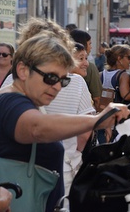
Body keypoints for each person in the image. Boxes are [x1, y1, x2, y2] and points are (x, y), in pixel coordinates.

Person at [0, 34, 130, 212]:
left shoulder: (24, 102)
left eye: (63, 80)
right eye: (51, 78)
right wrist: (96, 121)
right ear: (23, 70)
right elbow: (36, 127)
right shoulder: (11, 101)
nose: (58, 87)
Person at [44, 42, 95, 203]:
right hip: (65, 165)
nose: (86, 63)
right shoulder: (77, 82)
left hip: (25, 166)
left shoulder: (15, 79)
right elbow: (86, 130)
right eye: (81, 58)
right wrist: (76, 154)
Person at [70, 29, 103, 111]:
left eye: (85, 59)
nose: (91, 47)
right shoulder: (90, 68)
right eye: (89, 43)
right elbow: (97, 98)